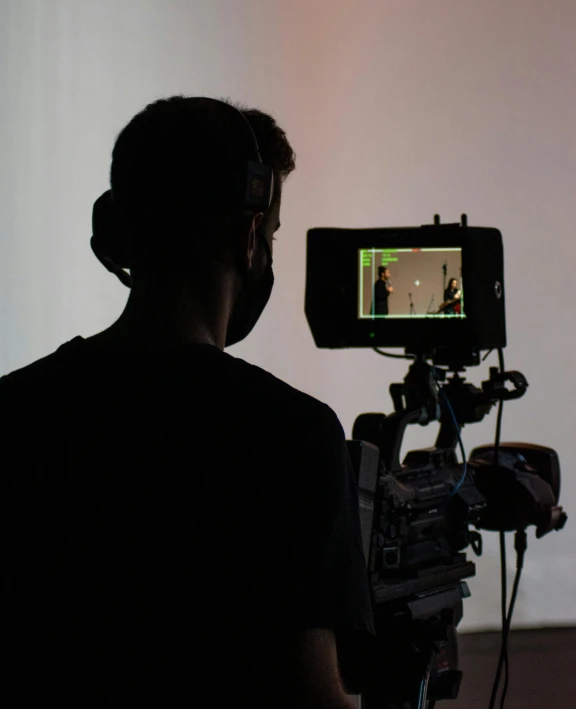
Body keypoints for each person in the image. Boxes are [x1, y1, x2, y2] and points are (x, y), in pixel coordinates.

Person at [0, 97, 375, 708]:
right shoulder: (290, 435)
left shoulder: (14, 410)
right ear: (252, 234)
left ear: (117, 229)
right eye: (272, 232)